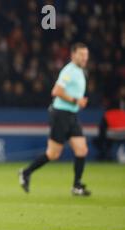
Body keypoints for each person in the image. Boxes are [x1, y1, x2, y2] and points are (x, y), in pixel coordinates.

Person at [19, 43, 91, 196]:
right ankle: (26, 172)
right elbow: (56, 91)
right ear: (73, 55)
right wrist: (75, 100)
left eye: (86, 54)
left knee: (82, 149)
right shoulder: (69, 70)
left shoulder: (80, 71)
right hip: (60, 114)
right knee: (53, 154)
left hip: (71, 115)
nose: (84, 57)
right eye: (81, 54)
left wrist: (77, 102)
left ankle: (76, 186)